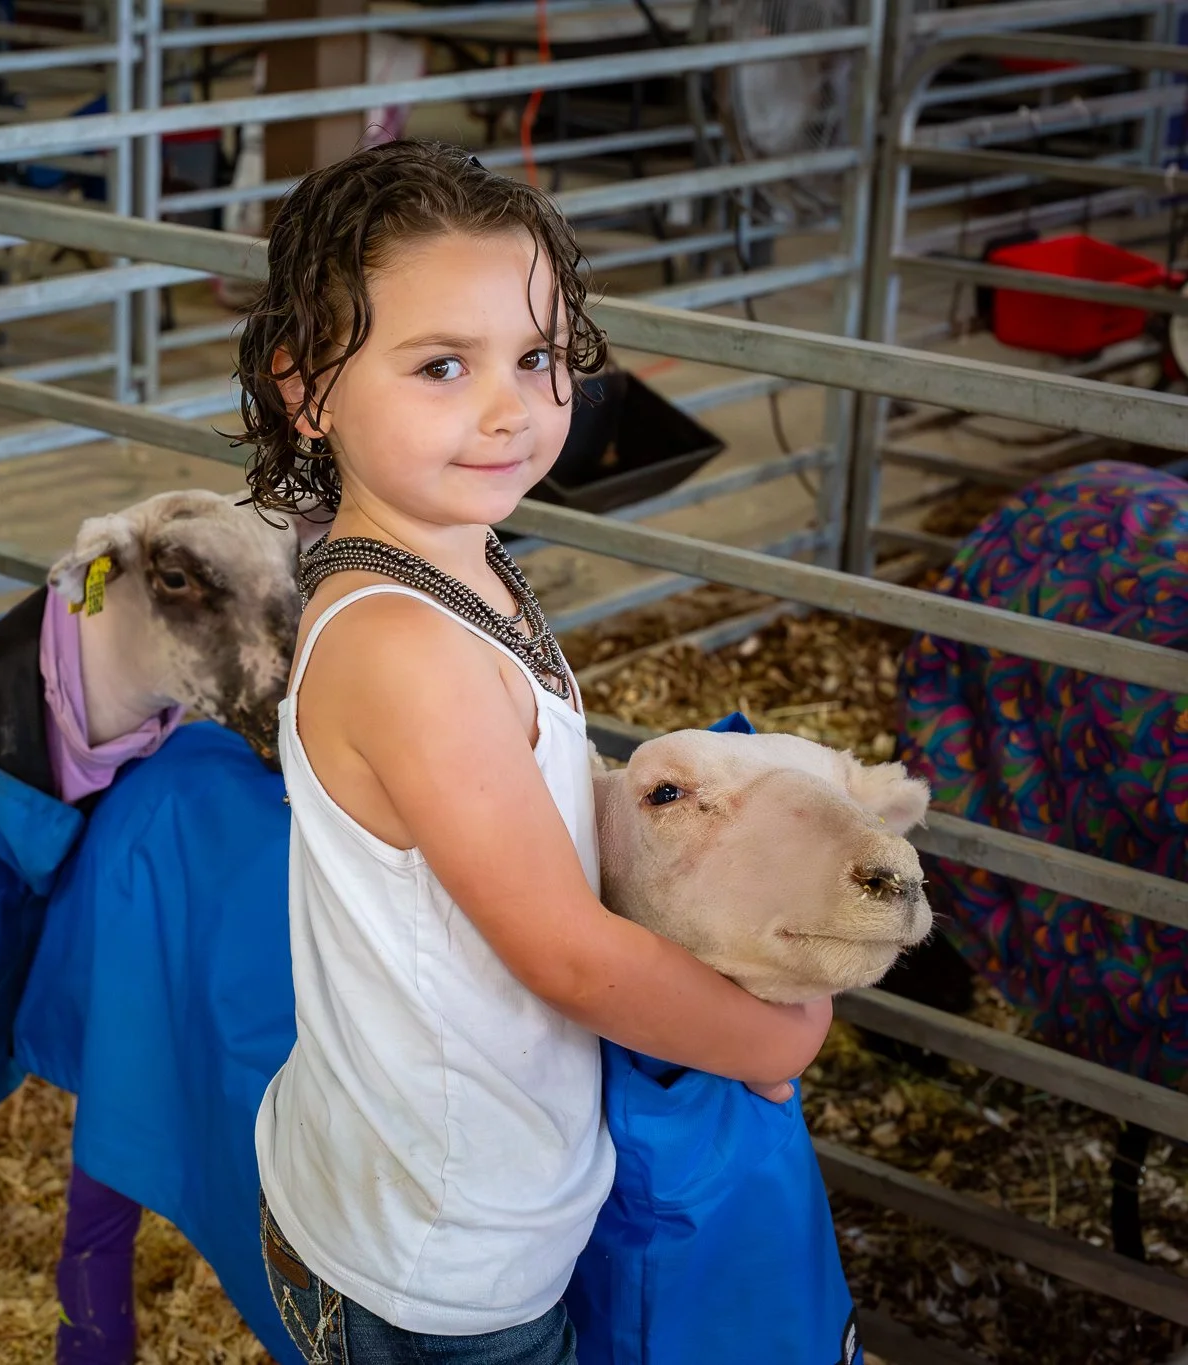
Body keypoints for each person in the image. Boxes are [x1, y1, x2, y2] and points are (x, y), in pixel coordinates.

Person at [239, 139, 833, 1365]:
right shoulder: (403, 646)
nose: (510, 408)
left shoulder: (453, 563)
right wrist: (775, 1036)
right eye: (440, 366)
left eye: (536, 356)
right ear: (308, 392)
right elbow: (564, 954)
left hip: (427, 1177)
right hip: (442, 1256)